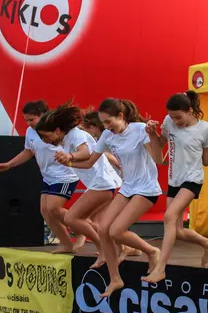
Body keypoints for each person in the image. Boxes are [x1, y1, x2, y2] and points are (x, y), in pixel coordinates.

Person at [67, 98, 162, 297]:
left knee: (117, 231)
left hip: (147, 189)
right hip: (127, 188)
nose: (106, 127)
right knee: (103, 229)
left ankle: (152, 251)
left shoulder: (139, 129)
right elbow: (90, 162)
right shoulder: (107, 137)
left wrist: (153, 135)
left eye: (108, 122)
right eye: (103, 124)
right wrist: (68, 162)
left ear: (121, 116)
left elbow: (158, 160)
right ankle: (115, 279)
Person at [142, 91, 208, 283]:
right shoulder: (168, 122)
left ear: (190, 110)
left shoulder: (204, 128)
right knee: (177, 230)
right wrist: (152, 134)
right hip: (175, 180)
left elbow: (206, 160)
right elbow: (159, 152)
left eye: (179, 117)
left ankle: (160, 268)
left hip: (193, 179)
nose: (175, 121)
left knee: (168, 217)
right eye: (172, 117)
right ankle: (207, 243)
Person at [37, 103, 123, 269]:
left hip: (103, 184)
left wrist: (69, 156)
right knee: (94, 223)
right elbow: (87, 161)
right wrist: (68, 161)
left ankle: (104, 248)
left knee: (72, 218)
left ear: (56, 131)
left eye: (45, 137)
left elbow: (85, 153)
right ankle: (125, 247)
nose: (45, 141)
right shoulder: (66, 139)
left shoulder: (75, 135)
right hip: (100, 184)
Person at [0, 100, 84, 253]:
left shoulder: (57, 130)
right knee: (44, 210)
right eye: (26, 120)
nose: (29, 123)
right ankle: (66, 243)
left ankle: (81, 224)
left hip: (65, 174)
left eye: (32, 119)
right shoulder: (31, 132)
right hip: (48, 176)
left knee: (54, 208)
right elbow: (28, 151)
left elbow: (78, 146)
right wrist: (9, 164)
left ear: (42, 116)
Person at [79, 108, 142, 263]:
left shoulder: (106, 138)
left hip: (110, 182)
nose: (88, 131)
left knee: (105, 219)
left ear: (96, 126)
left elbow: (111, 157)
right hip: (105, 181)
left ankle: (124, 248)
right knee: (102, 219)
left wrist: (122, 169)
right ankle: (126, 248)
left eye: (89, 127)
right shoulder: (103, 138)